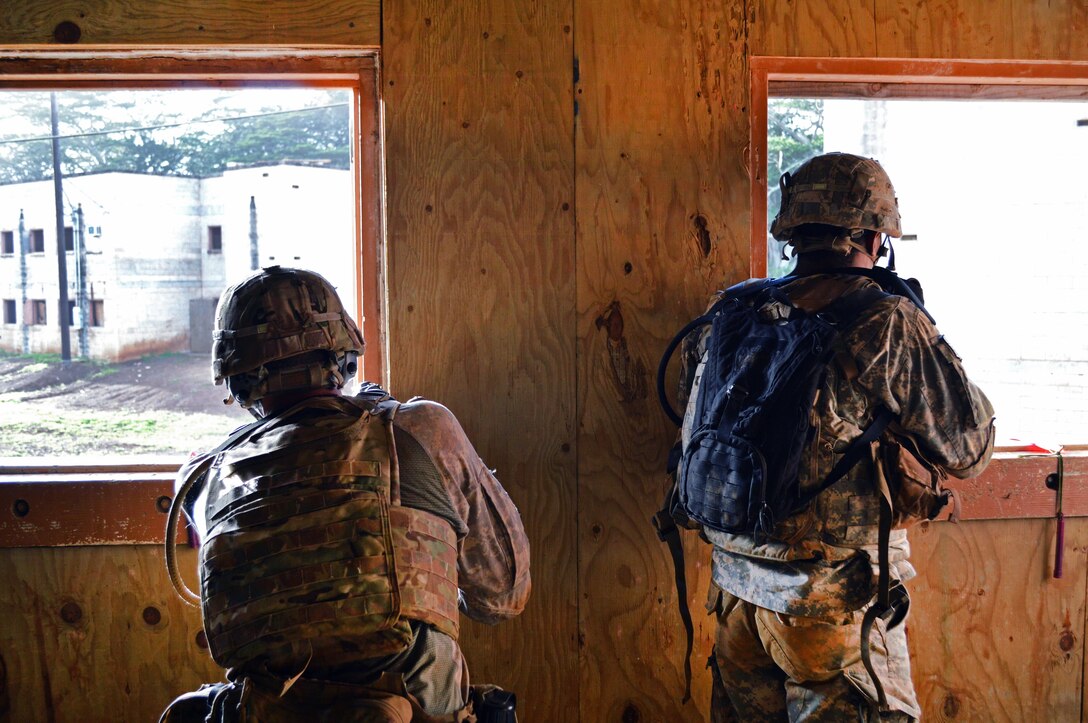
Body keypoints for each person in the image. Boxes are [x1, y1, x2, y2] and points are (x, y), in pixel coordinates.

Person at [682, 153, 995, 721]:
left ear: (794, 234)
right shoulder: (885, 321)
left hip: (735, 603)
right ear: (876, 236)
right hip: (829, 610)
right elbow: (968, 447)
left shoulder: (729, 311)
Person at [161, 266, 530, 722]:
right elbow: (502, 596)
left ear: (237, 381)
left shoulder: (201, 478)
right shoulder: (420, 431)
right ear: (345, 356)